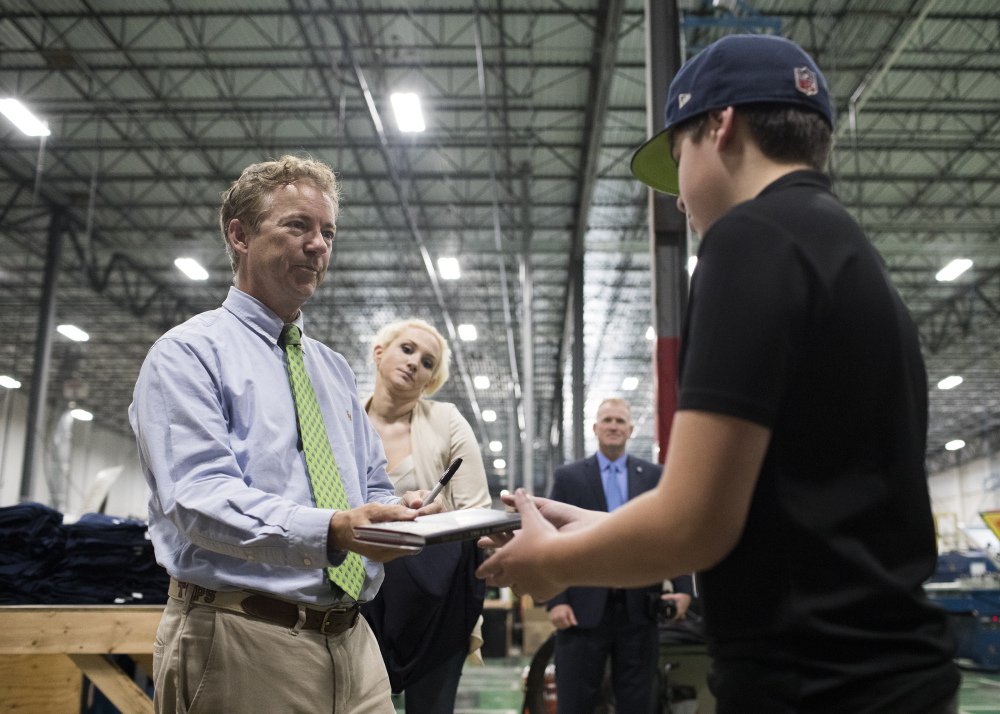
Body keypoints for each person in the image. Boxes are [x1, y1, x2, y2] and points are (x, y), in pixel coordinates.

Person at [477, 34, 960, 713]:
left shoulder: (750, 239)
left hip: (811, 687)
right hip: (885, 677)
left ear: (719, 125)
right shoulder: (847, 254)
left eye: (679, 163)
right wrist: (581, 525)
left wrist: (552, 563)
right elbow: (779, 508)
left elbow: (695, 526)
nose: (677, 201)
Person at [130, 155, 440, 714]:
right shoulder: (188, 355)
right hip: (242, 639)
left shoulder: (332, 369)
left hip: (353, 642)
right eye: (298, 225)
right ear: (240, 234)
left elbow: (370, 482)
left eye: (327, 231)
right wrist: (335, 530)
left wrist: (397, 512)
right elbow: (198, 500)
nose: (318, 244)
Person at [361, 317, 492, 713]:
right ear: (379, 353)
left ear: (430, 381)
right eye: (407, 349)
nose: (416, 361)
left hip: (435, 604)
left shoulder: (447, 421)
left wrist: (440, 513)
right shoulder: (341, 416)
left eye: (428, 362)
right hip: (357, 597)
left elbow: (478, 513)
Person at [546, 397, 691, 714]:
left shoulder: (654, 477)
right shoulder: (570, 478)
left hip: (639, 610)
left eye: (620, 421)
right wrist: (557, 601)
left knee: (638, 703)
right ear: (595, 428)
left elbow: (671, 531)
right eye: (607, 420)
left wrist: (683, 588)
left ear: (630, 429)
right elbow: (551, 539)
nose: (613, 426)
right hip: (581, 611)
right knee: (575, 703)